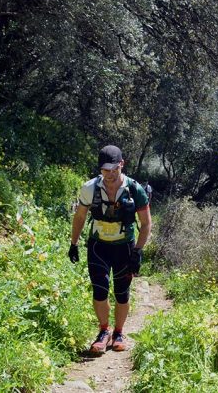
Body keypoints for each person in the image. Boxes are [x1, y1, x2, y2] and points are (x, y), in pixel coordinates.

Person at [68, 145, 151, 354]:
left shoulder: (135, 189)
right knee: (100, 290)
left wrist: (138, 251)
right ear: (100, 169)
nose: (110, 174)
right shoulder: (90, 188)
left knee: (122, 293)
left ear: (121, 164)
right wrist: (74, 243)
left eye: (114, 169)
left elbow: (146, 223)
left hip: (125, 247)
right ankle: (104, 331)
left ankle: (119, 332)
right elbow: (80, 217)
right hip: (99, 246)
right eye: (106, 170)